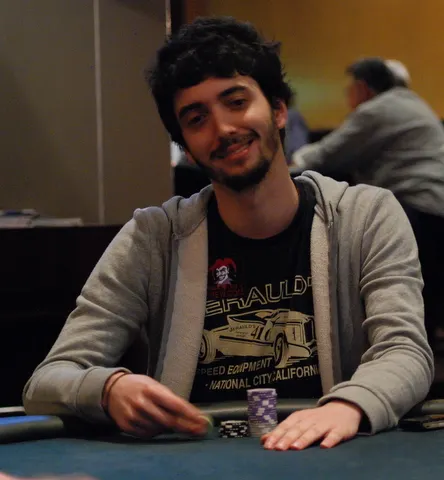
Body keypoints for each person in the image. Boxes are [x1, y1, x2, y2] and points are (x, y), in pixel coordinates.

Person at [23, 18, 433, 452]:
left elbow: (405, 351)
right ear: (185, 145)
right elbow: (48, 380)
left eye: (236, 102)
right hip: (190, 464)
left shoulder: (366, 216)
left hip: (328, 457)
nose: (222, 129)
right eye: (197, 118)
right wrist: (108, 389)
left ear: (278, 110)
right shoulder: (152, 236)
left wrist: (349, 405)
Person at [292, 57, 444, 344]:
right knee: (429, 289)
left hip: (415, 203)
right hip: (436, 206)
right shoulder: (413, 102)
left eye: (349, 90)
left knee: (399, 287)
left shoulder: (376, 110)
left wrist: (292, 160)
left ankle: (399, 349)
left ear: (362, 88)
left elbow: (327, 153)